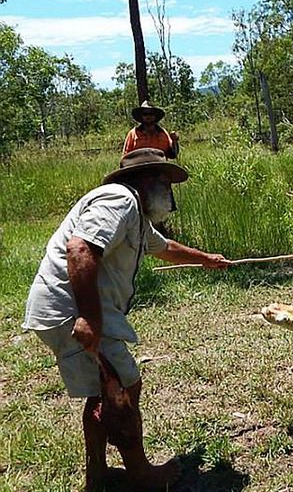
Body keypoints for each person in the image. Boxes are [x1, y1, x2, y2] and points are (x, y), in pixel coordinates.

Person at [22, 148, 230, 491]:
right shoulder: (118, 200)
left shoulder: (133, 212)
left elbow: (164, 248)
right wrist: (89, 318)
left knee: (104, 388)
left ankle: (99, 475)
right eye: (165, 182)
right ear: (146, 180)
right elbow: (80, 249)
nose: (169, 192)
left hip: (71, 309)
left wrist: (206, 258)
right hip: (71, 310)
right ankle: (140, 475)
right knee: (122, 385)